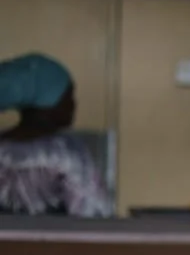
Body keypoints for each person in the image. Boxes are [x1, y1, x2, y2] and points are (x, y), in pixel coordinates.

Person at [0, 52, 111, 217]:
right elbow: (94, 214)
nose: (74, 104)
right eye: (69, 96)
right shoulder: (68, 153)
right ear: (46, 100)